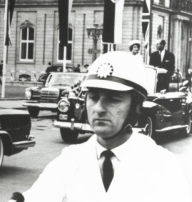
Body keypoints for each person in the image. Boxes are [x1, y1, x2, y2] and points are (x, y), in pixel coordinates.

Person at [10, 51, 191, 202]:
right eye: (94, 97)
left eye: (113, 100)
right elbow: (37, 196)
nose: (99, 109)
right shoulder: (70, 159)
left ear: (136, 107)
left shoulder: (161, 164)